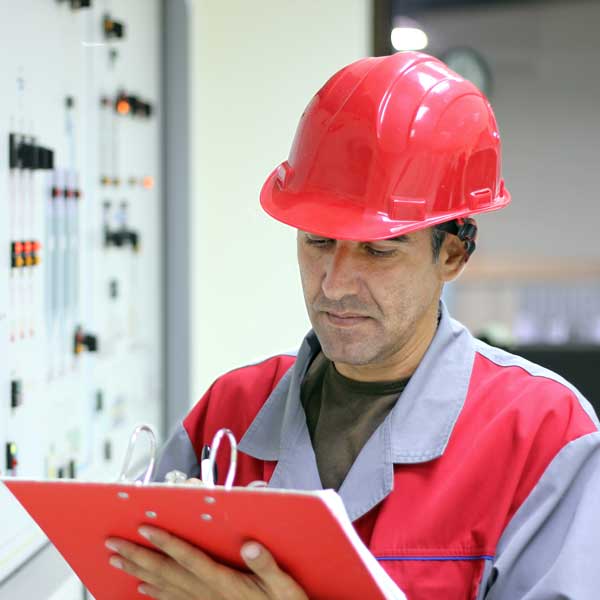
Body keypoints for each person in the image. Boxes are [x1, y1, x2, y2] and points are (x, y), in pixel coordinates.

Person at [105, 51, 600, 599]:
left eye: (378, 251)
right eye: (318, 241)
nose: (335, 283)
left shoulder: (543, 434)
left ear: (453, 255)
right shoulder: (229, 412)